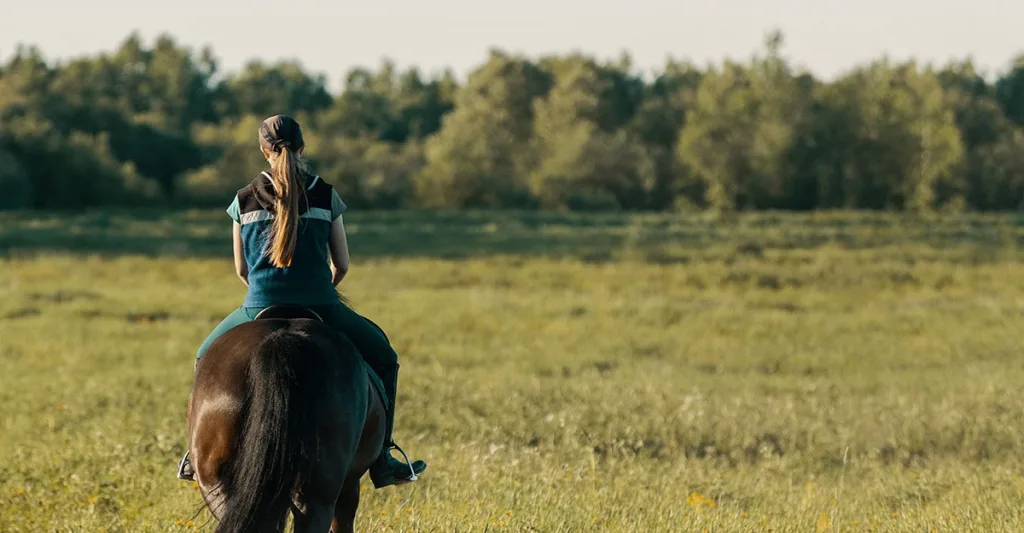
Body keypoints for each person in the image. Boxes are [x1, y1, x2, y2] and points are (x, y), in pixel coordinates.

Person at [176, 114, 426, 488]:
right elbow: (341, 263)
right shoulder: (325, 194)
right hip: (322, 305)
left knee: (204, 357)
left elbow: (241, 270)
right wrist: (324, 286)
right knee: (385, 356)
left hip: (258, 305)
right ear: (303, 147)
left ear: (263, 150)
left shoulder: (242, 200)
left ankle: (196, 455)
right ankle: (384, 459)